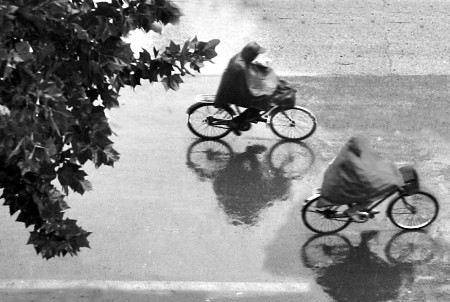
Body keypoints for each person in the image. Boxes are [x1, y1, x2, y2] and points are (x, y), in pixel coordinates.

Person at [214, 42, 292, 136]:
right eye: (255, 55)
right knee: (261, 102)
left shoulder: (240, 58)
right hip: (235, 92)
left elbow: (249, 74)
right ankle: (236, 122)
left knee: (261, 99)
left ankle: (249, 117)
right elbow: (248, 89)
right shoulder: (239, 67)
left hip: (236, 87)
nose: (256, 56)